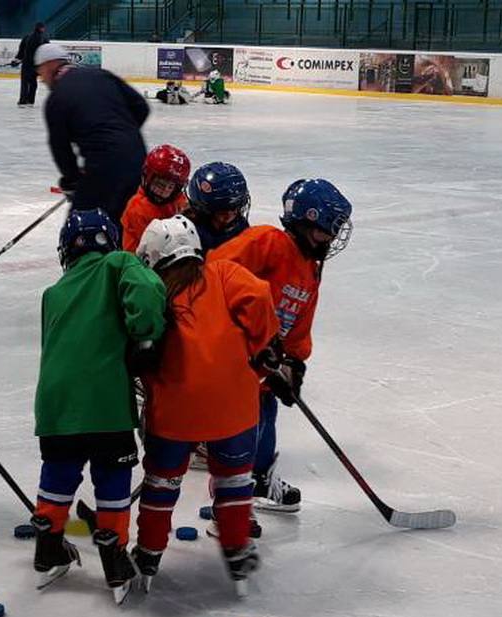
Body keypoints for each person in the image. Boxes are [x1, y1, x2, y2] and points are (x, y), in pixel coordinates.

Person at [129, 216, 278, 597]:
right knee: (233, 482)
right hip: (234, 410)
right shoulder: (223, 273)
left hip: (176, 414)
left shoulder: (152, 290)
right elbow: (259, 294)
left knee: (162, 484)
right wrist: (263, 347)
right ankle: (237, 550)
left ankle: (148, 554)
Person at [29, 209, 167, 603]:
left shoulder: (51, 293)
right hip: (104, 401)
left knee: (58, 474)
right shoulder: (117, 262)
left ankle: (49, 547)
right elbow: (146, 288)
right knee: (111, 476)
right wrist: (145, 337)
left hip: (54, 407)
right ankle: (114, 556)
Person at [210, 179, 354, 523]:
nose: (331, 239)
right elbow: (215, 271)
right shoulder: (268, 242)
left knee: (265, 414)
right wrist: (243, 327)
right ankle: (229, 503)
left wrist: (293, 362)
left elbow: (299, 325)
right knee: (237, 432)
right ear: (305, 221)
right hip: (229, 358)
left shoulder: (311, 270)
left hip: (262, 364)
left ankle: (257, 483)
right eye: (326, 231)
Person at [35, 42, 150, 219]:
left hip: (102, 167)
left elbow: (61, 149)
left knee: (83, 226)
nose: (41, 78)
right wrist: (124, 136)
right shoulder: (100, 74)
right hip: (138, 159)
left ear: (50, 64)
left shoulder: (56, 99)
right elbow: (141, 107)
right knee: (125, 221)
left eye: (40, 70)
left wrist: (73, 179)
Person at [120, 144, 191, 253]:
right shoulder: (137, 208)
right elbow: (155, 246)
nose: (164, 192)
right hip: (140, 263)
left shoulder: (177, 199)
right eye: (160, 184)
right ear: (147, 178)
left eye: (170, 187)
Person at [183, 161, 252, 251]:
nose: (229, 216)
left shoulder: (240, 225)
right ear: (200, 209)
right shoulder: (187, 234)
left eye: (235, 208)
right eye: (222, 211)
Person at [14, 22, 49, 107]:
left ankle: (23, 101)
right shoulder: (44, 39)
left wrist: (17, 59)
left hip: (26, 64)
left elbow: (21, 50)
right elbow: (48, 51)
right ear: (42, 29)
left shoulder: (27, 37)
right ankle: (30, 101)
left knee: (25, 83)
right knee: (33, 83)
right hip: (37, 65)